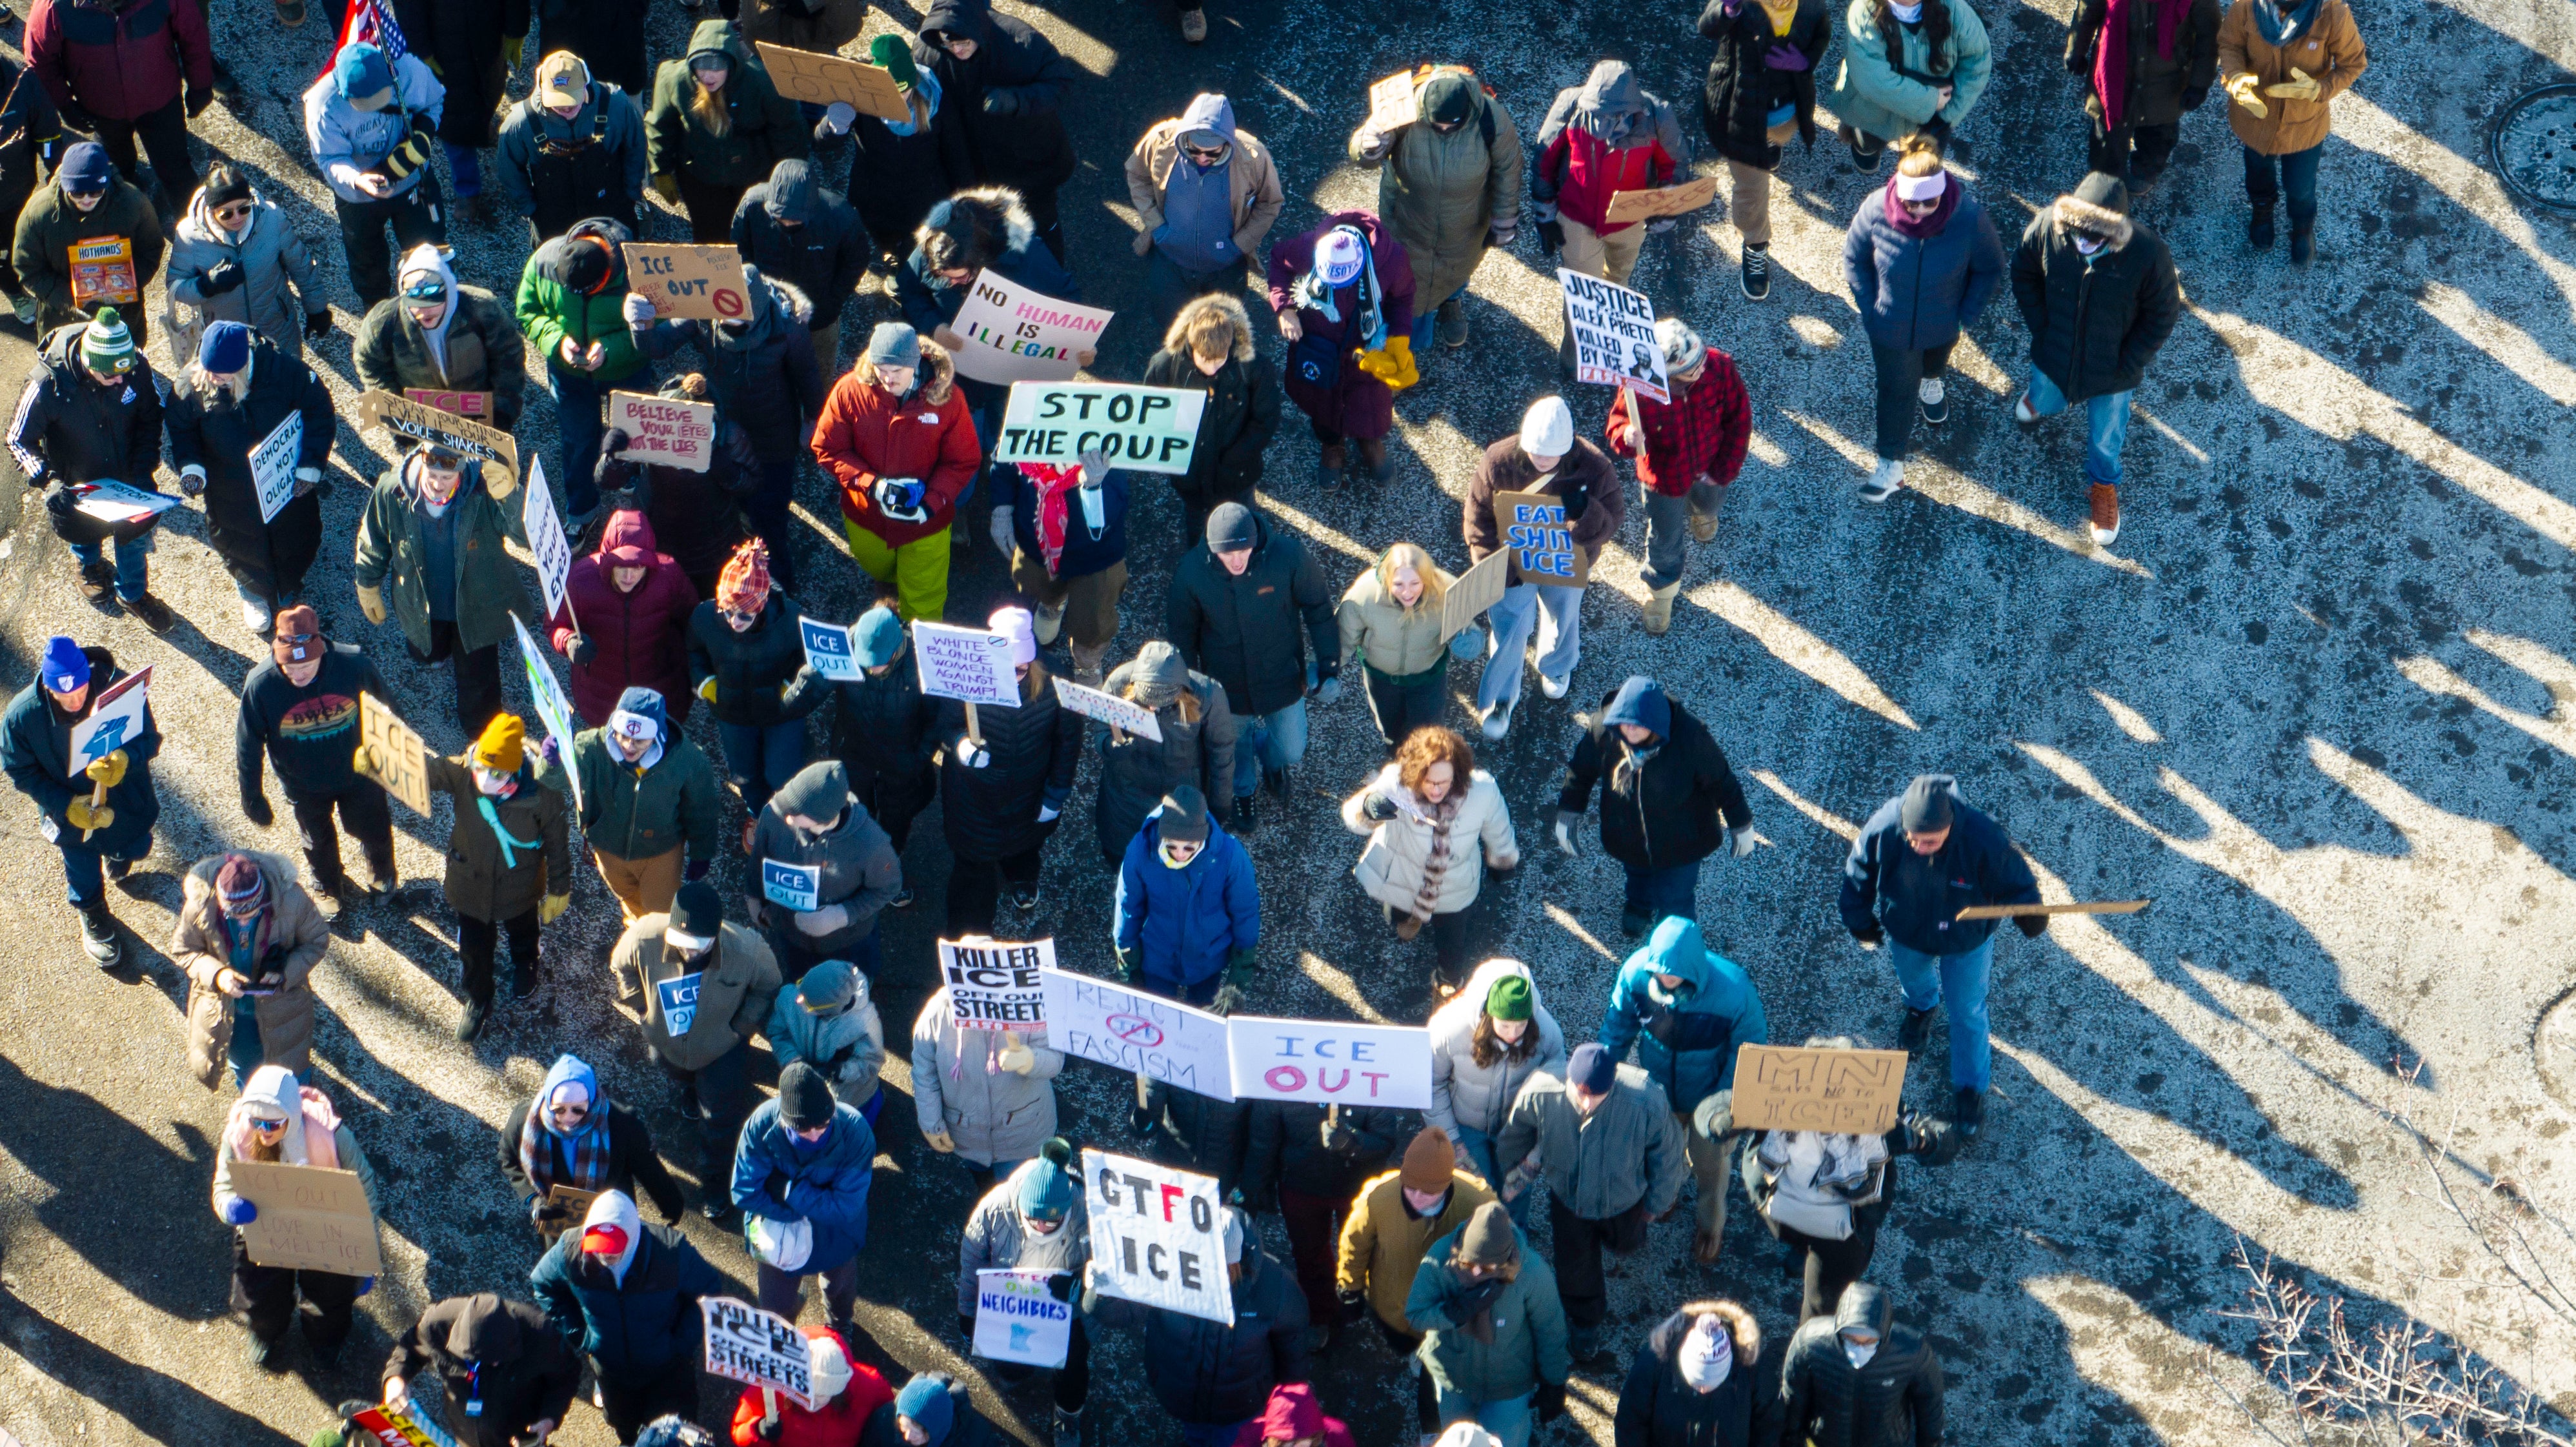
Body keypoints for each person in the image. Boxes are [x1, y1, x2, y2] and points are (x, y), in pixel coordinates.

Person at [1839, 773, 2040, 1126]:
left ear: (1949, 827)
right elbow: (1859, 871)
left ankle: (1970, 1090)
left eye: (1930, 842)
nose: (1919, 848)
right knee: (1913, 980)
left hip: (1967, 941)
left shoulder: (1983, 838)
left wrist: (2029, 913)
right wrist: (1857, 916)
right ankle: (1921, 1009)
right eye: (1913, 840)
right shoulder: (1885, 826)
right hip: (1909, 932)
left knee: (1967, 1011)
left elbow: (2017, 881)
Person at [368, 715, 571, 1040]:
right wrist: (385, 765)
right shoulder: (464, 770)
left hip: (520, 887)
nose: (481, 777)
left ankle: (527, 963)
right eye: (478, 767)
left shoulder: (543, 796)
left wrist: (560, 888)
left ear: (512, 771)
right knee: (474, 951)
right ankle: (478, 998)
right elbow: (426, 772)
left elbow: (558, 843)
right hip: (470, 886)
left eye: (493, 772)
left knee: (524, 931)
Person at [631, 263, 826, 596]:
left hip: (772, 438)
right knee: (726, 509)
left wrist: (813, 421)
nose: (724, 318)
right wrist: (640, 323)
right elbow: (656, 346)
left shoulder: (788, 328)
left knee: (768, 517)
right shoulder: (703, 314)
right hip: (722, 433)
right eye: (720, 310)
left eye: (734, 312)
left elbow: (808, 376)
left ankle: (779, 589)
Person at [2009, 170, 2180, 548]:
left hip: (2113, 373)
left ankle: (2103, 487)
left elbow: (2163, 313)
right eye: (2077, 230)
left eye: (2096, 235)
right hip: (2054, 350)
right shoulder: (2047, 227)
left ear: (2115, 232)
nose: (2084, 240)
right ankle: (2039, 402)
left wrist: (2129, 363)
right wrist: (2043, 327)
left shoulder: (2148, 254)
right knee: (2044, 388)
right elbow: (2023, 271)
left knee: (2106, 435)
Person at [896, 186, 1086, 523]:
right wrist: (934, 327)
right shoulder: (933, 248)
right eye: (945, 279)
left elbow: (1068, 300)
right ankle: (963, 497)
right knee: (962, 446)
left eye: (962, 278)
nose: (953, 284)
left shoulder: (1028, 258)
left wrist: (1079, 346)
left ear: (982, 257)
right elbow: (910, 289)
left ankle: (1010, 491)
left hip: (1010, 381)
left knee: (1007, 441)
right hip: (959, 382)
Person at [1494, 1043, 1687, 1367]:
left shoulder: (1646, 1100)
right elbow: (1515, 1135)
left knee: (1627, 1243)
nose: (1586, 1103)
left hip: (1624, 1200)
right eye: (1579, 1092)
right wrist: (1510, 1176)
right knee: (1575, 1266)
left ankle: (1623, 1244)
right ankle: (1585, 1321)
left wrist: (1657, 1202)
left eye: (1596, 1095)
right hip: (1570, 1201)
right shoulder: (1541, 1092)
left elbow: (1667, 1157)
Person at [1844, 137, 2006, 502]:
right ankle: (1890, 467)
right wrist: (1871, 308)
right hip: (1891, 329)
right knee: (1895, 392)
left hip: (1944, 323)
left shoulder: (1968, 218)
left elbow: (1991, 268)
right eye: (1910, 202)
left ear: (1942, 195)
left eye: (1928, 202)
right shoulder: (1875, 209)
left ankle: (1931, 381)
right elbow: (1853, 258)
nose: (1917, 211)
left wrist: (1965, 316)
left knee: (1935, 362)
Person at [1596, 917, 1767, 1262]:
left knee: (1712, 1169)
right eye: (1658, 974)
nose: (1663, 981)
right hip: (1660, 1093)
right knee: (1661, 1155)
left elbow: (1748, 1053)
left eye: (1671, 975)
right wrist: (1602, 1075)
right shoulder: (1635, 975)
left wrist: (1723, 1105)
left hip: (1711, 1103)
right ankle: (1668, 1194)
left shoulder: (1735, 990)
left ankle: (1710, 1226)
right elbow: (1617, 1029)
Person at [611, 881, 781, 1224]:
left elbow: (769, 985)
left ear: (716, 934)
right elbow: (621, 965)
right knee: (671, 1070)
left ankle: (715, 1184)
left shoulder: (748, 951)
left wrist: (741, 1027)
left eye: (698, 946)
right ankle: (689, 1093)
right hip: (667, 1045)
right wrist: (642, 1009)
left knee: (719, 1120)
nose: (689, 953)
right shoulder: (644, 935)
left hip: (721, 1048)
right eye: (681, 944)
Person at [1167, 502, 1337, 831]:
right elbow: (1182, 636)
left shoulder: (1289, 556)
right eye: (1226, 553)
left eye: (1242, 549)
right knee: (1232, 750)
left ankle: (1273, 760)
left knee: (1292, 750)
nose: (1236, 560)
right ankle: (1244, 792)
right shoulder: (1191, 573)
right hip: (1226, 689)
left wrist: (1329, 664)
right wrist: (1188, 690)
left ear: (1255, 538)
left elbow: (1318, 606)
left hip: (1283, 678)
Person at [6, 307, 177, 627]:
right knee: (84, 533)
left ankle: (133, 593)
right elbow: (17, 440)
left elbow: (152, 415)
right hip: (76, 486)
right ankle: (87, 565)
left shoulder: (134, 365)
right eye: (111, 376)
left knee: (133, 539)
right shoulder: (47, 384)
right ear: (88, 363)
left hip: (129, 481)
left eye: (124, 374)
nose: (121, 382)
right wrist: (49, 481)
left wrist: (143, 467)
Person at [1085, 1206, 1309, 1447]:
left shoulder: (1275, 1287)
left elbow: (1293, 1343)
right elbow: (1120, 1314)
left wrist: (1292, 1398)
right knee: (1196, 1437)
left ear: (1234, 1261)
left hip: (1240, 1406)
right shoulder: (1165, 1270)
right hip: (1183, 1399)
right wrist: (1103, 1292)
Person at [166, 321, 336, 637]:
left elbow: (319, 410)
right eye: (209, 370)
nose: (212, 380)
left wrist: (310, 466)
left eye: (221, 374)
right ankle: (253, 592)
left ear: (243, 366)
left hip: (283, 483)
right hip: (230, 487)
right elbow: (181, 429)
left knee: (292, 534)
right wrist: (191, 467)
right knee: (239, 541)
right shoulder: (193, 383)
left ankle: (287, 588)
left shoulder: (283, 371)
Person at [1465, 396, 1623, 731]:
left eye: (1551, 453)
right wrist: (1495, 565)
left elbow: (1614, 520)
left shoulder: (1595, 467)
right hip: (1512, 566)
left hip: (1566, 562)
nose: (1542, 459)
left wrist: (1586, 512)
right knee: (1509, 624)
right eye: (1536, 451)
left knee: (1564, 614)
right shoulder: (1498, 460)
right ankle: (1503, 694)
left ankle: (1556, 664)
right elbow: (1478, 518)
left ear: (1568, 448)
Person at [1556, 676, 1757, 938]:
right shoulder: (1604, 731)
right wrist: (1569, 812)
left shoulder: (1690, 738)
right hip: (1628, 836)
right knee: (1637, 876)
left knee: (1677, 898)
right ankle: (1639, 906)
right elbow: (1581, 771)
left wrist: (1741, 824)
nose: (1629, 731)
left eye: (1638, 725)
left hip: (1683, 843)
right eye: (1624, 723)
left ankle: (1677, 944)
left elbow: (1722, 782)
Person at [3, 636, 161, 967]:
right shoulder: (21, 719)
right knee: (82, 869)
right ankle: (92, 913)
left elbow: (150, 739)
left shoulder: (121, 690)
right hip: (72, 815)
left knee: (136, 846)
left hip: (126, 800)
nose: (75, 700)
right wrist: (66, 805)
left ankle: (119, 852)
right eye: (65, 694)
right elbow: (20, 770)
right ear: (48, 688)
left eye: (81, 689)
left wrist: (124, 760)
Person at [353, 442, 527, 735]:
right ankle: (435, 653)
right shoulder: (391, 490)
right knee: (426, 649)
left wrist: (510, 496)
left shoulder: (485, 490)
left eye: (446, 477)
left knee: (479, 678)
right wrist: (367, 582)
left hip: (478, 604)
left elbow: (525, 537)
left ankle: (480, 733)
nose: (436, 484)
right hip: (421, 601)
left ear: (462, 471)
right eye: (431, 474)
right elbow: (375, 539)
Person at [813, 322, 983, 622]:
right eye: (881, 369)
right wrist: (873, 485)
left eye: (897, 371)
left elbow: (962, 461)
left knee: (924, 601)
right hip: (867, 515)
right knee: (875, 566)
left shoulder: (949, 399)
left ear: (916, 363)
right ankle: (892, 587)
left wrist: (929, 506)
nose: (888, 379)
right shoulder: (850, 390)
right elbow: (828, 448)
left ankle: (918, 653)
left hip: (926, 523)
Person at [530, 1190, 727, 1442]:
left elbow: (708, 1293)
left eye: (613, 1250)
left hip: (666, 1372)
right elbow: (543, 1284)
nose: (604, 1257)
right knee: (625, 1428)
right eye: (597, 1248)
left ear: (633, 1236)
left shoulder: (671, 1253)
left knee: (674, 1436)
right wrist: (581, 1335)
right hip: (612, 1373)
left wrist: (680, 1344)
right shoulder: (571, 1250)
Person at [214, 1066, 378, 1368]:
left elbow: (364, 1188)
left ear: (290, 1114)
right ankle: (267, 1332)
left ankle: (325, 1340)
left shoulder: (332, 1135)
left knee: (330, 1302)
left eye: (272, 1122)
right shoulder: (239, 1132)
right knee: (258, 1300)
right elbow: (222, 1186)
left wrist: (367, 1255)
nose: (263, 1130)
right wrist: (228, 1207)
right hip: (264, 1227)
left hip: (325, 1231)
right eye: (256, 1121)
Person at [1349, 66, 1521, 352]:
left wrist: (1504, 220)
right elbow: (1364, 156)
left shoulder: (1491, 117)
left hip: (1465, 225)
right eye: (1436, 124)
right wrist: (1369, 144)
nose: (1443, 130)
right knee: (1407, 286)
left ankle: (1451, 301)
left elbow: (1508, 169)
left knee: (1457, 269)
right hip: (1407, 221)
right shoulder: (1402, 106)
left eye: (1450, 125)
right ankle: (1406, 345)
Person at [237, 607, 398, 911]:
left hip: (359, 773)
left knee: (373, 826)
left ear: (320, 650)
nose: (298, 674)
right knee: (316, 840)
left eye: (306, 665)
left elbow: (390, 712)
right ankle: (327, 882)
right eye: (289, 667)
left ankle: (382, 870)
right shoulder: (260, 686)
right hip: (304, 785)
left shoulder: (354, 665)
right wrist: (252, 795)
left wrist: (396, 763)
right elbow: (247, 745)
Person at [1337, 1126, 1495, 1435]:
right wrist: (1350, 1288)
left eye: (1429, 1192)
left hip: (1446, 1312)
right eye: (1410, 1189)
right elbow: (1355, 1245)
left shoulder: (1478, 1201)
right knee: (1401, 1343)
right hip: (1394, 1308)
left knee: (1437, 1367)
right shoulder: (1378, 1196)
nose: (1418, 1199)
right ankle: (1412, 1354)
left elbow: (1499, 1251)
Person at [933, 607, 1082, 929]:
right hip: (973, 799)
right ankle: (969, 936)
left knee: (1026, 849)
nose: (1014, 676)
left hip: (1029, 796)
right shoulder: (964, 673)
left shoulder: (1056, 680)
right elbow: (942, 723)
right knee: (972, 870)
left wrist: (1055, 794)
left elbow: (1068, 741)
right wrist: (960, 744)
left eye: (1021, 669)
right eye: (1006, 668)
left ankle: (1022, 878)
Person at [1341, 727, 1518, 997]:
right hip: (1403, 878)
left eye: (1444, 782)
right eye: (1429, 781)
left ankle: (1449, 977)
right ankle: (1408, 921)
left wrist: (1502, 860)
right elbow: (1352, 819)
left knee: (1452, 939)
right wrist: (1367, 808)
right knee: (1395, 916)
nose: (1436, 789)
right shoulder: (1396, 783)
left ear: (1458, 773)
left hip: (1454, 889)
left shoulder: (1482, 791)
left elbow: (1499, 829)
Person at [1607, 320, 1751, 633]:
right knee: (1665, 538)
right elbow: (1617, 423)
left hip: (1710, 468)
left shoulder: (1719, 367)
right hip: (1664, 481)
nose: (1701, 370)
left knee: (1710, 502)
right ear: (1667, 376)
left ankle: (1704, 514)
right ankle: (1662, 590)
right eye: (1691, 370)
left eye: (1701, 362)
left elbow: (1740, 419)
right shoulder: (1639, 387)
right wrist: (1626, 436)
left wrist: (1724, 470)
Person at [912, 0, 1080, 261]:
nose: (957, 50)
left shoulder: (1021, 41)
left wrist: (1015, 100)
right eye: (949, 43)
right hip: (973, 170)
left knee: (1042, 226)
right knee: (982, 234)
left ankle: (1052, 270)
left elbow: (1060, 83)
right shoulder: (928, 50)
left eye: (964, 43)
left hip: (1028, 167)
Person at [1263, 212, 1415, 486]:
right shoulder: (1308, 247)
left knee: (1371, 404)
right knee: (1322, 404)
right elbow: (1279, 260)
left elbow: (1403, 298)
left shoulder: (1392, 260)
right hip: (1320, 350)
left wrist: (1398, 338)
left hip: (1368, 352)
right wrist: (1284, 308)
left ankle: (1369, 441)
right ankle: (1332, 445)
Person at [516, 214, 650, 522]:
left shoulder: (641, 271)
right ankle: (581, 510)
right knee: (578, 441)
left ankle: (628, 472)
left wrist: (612, 349)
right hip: (570, 375)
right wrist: (557, 341)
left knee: (631, 432)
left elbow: (660, 326)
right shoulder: (543, 261)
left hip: (626, 371)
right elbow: (528, 311)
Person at [1533, 61, 1687, 328]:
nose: (1601, 124)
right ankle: (1574, 363)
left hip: (1631, 222)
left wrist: (1668, 206)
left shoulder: (1657, 115)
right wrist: (1544, 213)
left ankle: (1610, 353)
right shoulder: (1572, 104)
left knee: (1618, 289)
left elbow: (1674, 165)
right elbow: (1545, 158)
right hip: (1578, 219)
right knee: (1581, 301)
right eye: (1596, 113)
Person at [1404, 1200, 1570, 1447]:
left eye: (1488, 1267)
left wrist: (1555, 1382)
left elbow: (1550, 1331)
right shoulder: (1440, 1259)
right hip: (1452, 1375)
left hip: (1508, 1384)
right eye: (1469, 1264)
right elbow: (1416, 1314)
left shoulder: (1532, 1274)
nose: (1476, 1273)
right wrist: (1454, 1312)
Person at [1697, 0, 1834, 299]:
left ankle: (1772, 144)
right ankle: (1755, 244)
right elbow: (1707, 26)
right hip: (1743, 112)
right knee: (1751, 191)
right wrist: (1727, 11)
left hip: (1786, 110)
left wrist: (1806, 62)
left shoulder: (1811, 8)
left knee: (1782, 135)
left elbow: (1822, 36)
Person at [1242, 1101, 1404, 1349]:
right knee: (1309, 1254)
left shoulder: (1369, 1074)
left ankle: (1356, 1296)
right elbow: (1264, 1140)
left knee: (1361, 1249)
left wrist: (1352, 1143)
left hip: (1357, 1188)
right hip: (1300, 1185)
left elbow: (1385, 1139)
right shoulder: (1280, 1080)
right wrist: (1256, 1185)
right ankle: (1321, 1314)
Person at [23, 0, 208, 214]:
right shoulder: (53, 6)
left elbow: (193, 34)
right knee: (115, 173)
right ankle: (127, 210)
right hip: (101, 112)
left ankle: (198, 232)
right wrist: (64, 104)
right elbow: (39, 58)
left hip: (162, 104)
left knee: (176, 171)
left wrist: (201, 84)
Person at [2218, 0, 2367, 262]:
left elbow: (2353, 63)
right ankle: (2262, 211)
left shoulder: (2333, 13)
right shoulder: (2246, 6)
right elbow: (2230, 43)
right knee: (2257, 172)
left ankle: (2302, 226)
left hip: (2304, 125)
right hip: (2255, 117)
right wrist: (2235, 76)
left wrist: (2321, 90)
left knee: (2300, 186)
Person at [958, 1147, 1088, 1447]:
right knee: (1010, 1360)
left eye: (1052, 1222)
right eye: (1034, 1219)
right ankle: (1018, 1371)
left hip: (1066, 1311)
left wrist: (1081, 1287)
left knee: (1074, 1367)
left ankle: (1068, 1413)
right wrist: (967, 1312)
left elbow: (1108, 1266)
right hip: (1013, 1305)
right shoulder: (993, 1209)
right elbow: (971, 1263)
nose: (1041, 1227)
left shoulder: (1089, 1213)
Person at [305, 40, 447, 311]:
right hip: (358, 197)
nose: (371, 106)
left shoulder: (409, 70)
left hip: (412, 181)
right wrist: (358, 179)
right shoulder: (322, 104)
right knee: (366, 261)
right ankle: (379, 312)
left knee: (428, 250)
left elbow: (434, 101)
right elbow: (329, 158)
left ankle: (429, 305)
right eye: (362, 102)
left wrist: (423, 135)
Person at [733, 1060, 876, 1330]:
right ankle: (782, 1331)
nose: (813, 1136)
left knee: (840, 1289)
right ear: (784, 1119)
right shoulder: (761, 1125)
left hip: (836, 1235)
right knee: (774, 1305)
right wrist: (800, 1213)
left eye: (822, 1125)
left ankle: (840, 1324)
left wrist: (787, 1190)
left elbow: (846, 1208)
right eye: (801, 1129)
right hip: (776, 1236)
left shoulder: (856, 1131)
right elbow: (743, 1192)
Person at [687, 538, 825, 815]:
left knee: (782, 777)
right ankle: (760, 814)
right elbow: (694, 652)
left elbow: (811, 660)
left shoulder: (792, 619)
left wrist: (790, 688)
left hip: (780, 713)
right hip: (732, 713)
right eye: (727, 611)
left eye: (744, 616)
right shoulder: (704, 617)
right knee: (744, 774)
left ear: (761, 606)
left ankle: (786, 816)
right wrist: (706, 686)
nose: (734, 621)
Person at [173, 850, 330, 1091]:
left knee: (291, 1069)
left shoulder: (293, 900)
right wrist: (217, 974)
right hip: (232, 1014)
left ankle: (298, 1098)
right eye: (234, 916)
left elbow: (316, 940)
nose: (244, 923)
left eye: (252, 914)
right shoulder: (200, 906)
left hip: (281, 1006)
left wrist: (285, 973)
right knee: (248, 1074)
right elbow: (185, 950)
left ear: (264, 898)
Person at [1124, 93, 1284, 327]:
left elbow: (1270, 203)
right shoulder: (1160, 140)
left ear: (1228, 143)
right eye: (1194, 149)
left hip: (1225, 267)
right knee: (1171, 332)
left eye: (1212, 153)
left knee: (1223, 334)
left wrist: (1239, 245)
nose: (1202, 158)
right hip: (1170, 262)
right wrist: (1157, 226)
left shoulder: (1254, 156)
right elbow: (1137, 175)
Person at [1425, 960, 1567, 1222]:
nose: (1513, 1034)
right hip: (1465, 1126)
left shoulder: (1549, 1034)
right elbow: (1430, 1084)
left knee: (1517, 1192)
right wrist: (1453, 1142)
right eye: (1505, 1025)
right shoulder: (1447, 1029)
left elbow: (1556, 1097)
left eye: (1521, 1025)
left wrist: (1534, 1157)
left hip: (1519, 1129)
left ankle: (1517, 1247)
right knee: (1476, 1194)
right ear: (1488, 1015)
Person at [568, 686, 720, 929]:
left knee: (661, 917)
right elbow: (552, 779)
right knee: (628, 899)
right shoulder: (589, 747)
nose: (628, 746)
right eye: (622, 736)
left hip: (660, 854)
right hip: (609, 850)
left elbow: (702, 811)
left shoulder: (688, 760)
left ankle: (657, 951)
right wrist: (552, 760)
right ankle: (639, 931)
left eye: (639, 741)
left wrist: (702, 852)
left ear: (657, 736)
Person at [828, 34, 971, 288]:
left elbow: (956, 153)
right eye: (889, 92)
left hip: (923, 197)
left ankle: (908, 271)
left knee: (916, 243)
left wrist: (966, 198)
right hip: (875, 193)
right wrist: (832, 128)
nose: (897, 100)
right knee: (882, 234)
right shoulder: (863, 100)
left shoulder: (936, 103)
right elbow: (828, 145)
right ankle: (890, 254)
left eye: (903, 91)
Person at [647, 21, 807, 243]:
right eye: (701, 67)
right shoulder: (674, 79)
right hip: (701, 177)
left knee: (755, 234)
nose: (708, 77)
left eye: (717, 68)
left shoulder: (764, 83)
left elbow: (788, 131)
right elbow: (660, 125)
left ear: (732, 64)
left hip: (753, 175)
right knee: (710, 238)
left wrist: (791, 180)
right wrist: (661, 169)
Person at [1139, 294, 1280, 545]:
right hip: (1190, 479)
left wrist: (1232, 460)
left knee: (1244, 532)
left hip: (1237, 476)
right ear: (1192, 346)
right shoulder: (1164, 366)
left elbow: (1265, 420)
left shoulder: (1254, 368)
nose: (1212, 369)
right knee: (1197, 531)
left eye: (1219, 360)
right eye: (1205, 360)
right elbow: (1151, 413)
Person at [596, 387, 760, 600]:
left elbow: (752, 484)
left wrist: (726, 470)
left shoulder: (729, 437)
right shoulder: (647, 429)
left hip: (711, 545)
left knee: (707, 598)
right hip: (657, 536)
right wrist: (613, 459)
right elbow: (606, 481)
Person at [499, 1053, 685, 1240]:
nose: (568, 1118)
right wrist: (534, 1199)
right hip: (558, 1220)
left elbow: (647, 1167)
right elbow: (508, 1159)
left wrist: (671, 1204)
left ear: (592, 1101)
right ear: (549, 1101)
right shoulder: (524, 1122)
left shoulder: (622, 1124)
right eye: (559, 1110)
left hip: (610, 1215)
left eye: (578, 1110)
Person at [748, 760, 904, 982]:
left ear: (823, 818)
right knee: (800, 985)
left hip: (847, 945)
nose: (786, 815)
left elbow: (888, 887)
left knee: (847, 993)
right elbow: (760, 858)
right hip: (793, 937)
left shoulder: (872, 844)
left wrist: (842, 915)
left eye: (795, 811)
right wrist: (753, 895)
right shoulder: (774, 815)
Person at [164, 165, 332, 363]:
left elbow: (301, 265)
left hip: (277, 328)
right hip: (226, 337)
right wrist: (207, 285)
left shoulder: (272, 219)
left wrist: (317, 309)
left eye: (244, 208)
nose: (237, 218)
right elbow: (175, 286)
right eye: (227, 214)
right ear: (212, 210)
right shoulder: (189, 237)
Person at [913, 977, 1063, 1197]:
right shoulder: (937, 1011)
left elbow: (1056, 1059)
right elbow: (924, 1071)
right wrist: (930, 1121)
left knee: (1020, 1193)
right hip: (967, 1136)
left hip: (1021, 1137)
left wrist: (1031, 1060)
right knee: (982, 1179)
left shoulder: (1029, 1006)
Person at [825, 605, 940, 894]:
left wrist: (919, 758)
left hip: (900, 764)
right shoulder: (845, 647)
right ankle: (860, 864)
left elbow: (939, 719)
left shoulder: (923, 663)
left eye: (878, 663)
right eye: (866, 662)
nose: (871, 669)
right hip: (856, 756)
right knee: (855, 815)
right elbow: (814, 681)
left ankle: (888, 867)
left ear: (897, 649)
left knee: (895, 821)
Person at [1114, 785, 1259, 1011]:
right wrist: (1127, 957)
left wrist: (1242, 967)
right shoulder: (1140, 851)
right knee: (1159, 1019)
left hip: (1208, 958)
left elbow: (1245, 909)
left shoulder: (1230, 855)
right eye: (1171, 846)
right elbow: (1128, 906)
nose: (1179, 854)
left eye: (1189, 847)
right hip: (1157, 957)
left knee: (1202, 1021)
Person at [355, 244, 529, 432]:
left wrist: (501, 412)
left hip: (479, 417)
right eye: (415, 300)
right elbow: (369, 363)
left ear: (449, 290)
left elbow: (509, 357)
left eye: (434, 298)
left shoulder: (483, 309)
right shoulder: (382, 322)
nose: (424, 310)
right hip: (420, 421)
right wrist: (396, 413)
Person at [990, 450, 1128, 682]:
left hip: (1095, 554)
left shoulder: (1108, 440)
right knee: (1033, 582)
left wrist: (1095, 486)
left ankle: (1087, 662)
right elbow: (1005, 456)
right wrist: (1001, 508)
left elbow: (1118, 504)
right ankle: (1052, 603)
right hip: (1036, 543)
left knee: (1093, 620)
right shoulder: (1029, 417)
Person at [1092, 640, 1236, 864]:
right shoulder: (1119, 681)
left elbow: (1222, 755)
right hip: (1126, 795)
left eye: (1160, 704)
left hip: (1182, 799)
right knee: (1122, 855)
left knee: (1176, 863)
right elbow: (1101, 731)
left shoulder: (1208, 695)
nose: (1152, 709)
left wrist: (1219, 807)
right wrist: (1112, 746)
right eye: (1146, 702)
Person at [550, 513, 697, 730]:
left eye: (638, 567)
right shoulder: (580, 580)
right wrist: (568, 642)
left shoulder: (670, 576)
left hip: (661, 690)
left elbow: (693, 621)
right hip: (602, 698)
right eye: (621, 567)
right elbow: (554, 625)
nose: (628, 577)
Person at [12, 140, 163, 342]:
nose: (86, 200)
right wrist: (72, 299)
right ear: (66, 186)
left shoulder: (134, 204)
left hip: (123, 314)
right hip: (63, 319)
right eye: (77, 193)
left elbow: (151, 251)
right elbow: (27, 268)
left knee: (124, 367)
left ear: (106, 185)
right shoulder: (39, 214)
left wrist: (126, 289)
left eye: (95, 192)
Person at [381, 1294, 579, 1447]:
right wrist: (395, 1381)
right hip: (463, 1428)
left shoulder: (543, 1336)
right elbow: (409, 1349)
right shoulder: (436, 1324)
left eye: (496, 1360)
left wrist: (549, 1419)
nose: (490, 1366)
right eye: (478, 1360)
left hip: (517, 1433)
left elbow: (566, 1380)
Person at [496, 52, 649, 247]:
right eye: (557, 103)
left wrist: (632, 193)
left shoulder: (617, 104)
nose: (565, 108)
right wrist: (529, 208)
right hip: (553, 216)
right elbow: (508, 169)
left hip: (611, 207)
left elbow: (636, 147)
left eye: (571, 100)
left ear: (585, 84)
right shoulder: (520, 123)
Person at [734, 159, 870, 377]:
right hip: (764, 307)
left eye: (795, 220)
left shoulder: (841, 217)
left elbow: (856, 261)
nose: (787, 224)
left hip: (818, 316)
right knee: (764, 371)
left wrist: (831, 302)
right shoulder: (752, 203)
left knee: (817, 371)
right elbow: (738, 248)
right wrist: (753, 290)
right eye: (779, 218)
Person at [1826, 0, 1991, 168]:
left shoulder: (1954, 10)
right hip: (1875, 109)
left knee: (1920, 172)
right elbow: (1871, 79)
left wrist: (1949, 114)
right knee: (1867, 142)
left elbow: (1977, 61)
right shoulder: (1865, 11)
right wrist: (1930, 101)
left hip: (1933, 119)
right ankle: (1865, 149)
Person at [2070, 0, 2219, 186]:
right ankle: (2106, 186)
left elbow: (2209, 35)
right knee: (2108, 142)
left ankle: (2144, 173)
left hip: (2166, 81)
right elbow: (2089, 9)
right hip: (2115, 77)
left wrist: (2200, 84)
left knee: (2158, 141)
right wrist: (2076, 49)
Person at [1778, 1283, 1944, 1442]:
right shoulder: (1810, 1344)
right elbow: (1793, 1395)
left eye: (1869, 1342)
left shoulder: (1912, 1351)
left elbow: (1930, 1403)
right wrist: (1790, 1437)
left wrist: (1931, 1441)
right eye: (1850, 1339)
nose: (1859, 1348)